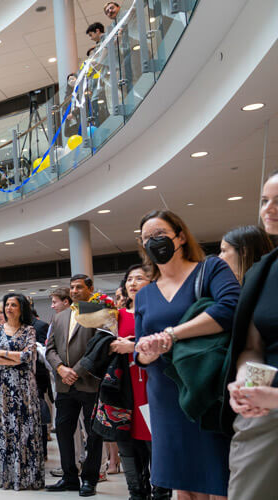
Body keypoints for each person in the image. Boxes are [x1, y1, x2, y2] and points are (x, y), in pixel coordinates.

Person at [134, 209, 239, 499]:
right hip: (165, 397)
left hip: (206, 390)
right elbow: (138, 350)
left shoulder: (211, 269)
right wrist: (147, 351)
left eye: (159, 235)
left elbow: (230, 308)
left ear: (180, 236)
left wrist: (171, 335)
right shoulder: (144, 293)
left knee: (219, 480)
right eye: (146, 239)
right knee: (183, 486)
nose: (152, 243)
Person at [226, 172, 278, 500]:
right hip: (264, 416)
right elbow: (253, 346)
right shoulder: (265, 271)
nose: (268, 209)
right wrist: (246, 384)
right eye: (264, 200)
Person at [0, 294, 44, 490]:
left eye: (14, 305)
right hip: (2, 385)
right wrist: (13, 357)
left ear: (22, 309)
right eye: (7, 305)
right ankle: (0, 475)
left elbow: (28, 356)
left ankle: (23, 476)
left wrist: (2, 354)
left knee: (22, 429)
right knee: (0, 428)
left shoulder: (29, 330)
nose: (9, 308)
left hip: (23, 387)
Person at [45, 274, 104, 496]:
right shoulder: (60, 317)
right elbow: (49, 348)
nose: (75, 291)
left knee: (93, 434)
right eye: (72, 287)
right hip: (64, 386)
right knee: (63, 431)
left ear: (90, 288)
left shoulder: (97, 312)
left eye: (79, 287)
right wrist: (60, 369)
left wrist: (76, 371)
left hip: (88, 382)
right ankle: (69, 477)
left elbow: (99, 348)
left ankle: (90, 479)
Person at [107, 264, 161, 500]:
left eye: (140, 278)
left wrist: (134, 345)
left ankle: (161, 492)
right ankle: (136, 493)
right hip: (125, 389)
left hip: (154, 387)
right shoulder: (116, 316)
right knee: (128, 445)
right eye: (129, 279)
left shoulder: (161, 312)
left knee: (157, 445)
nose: (133, 283)